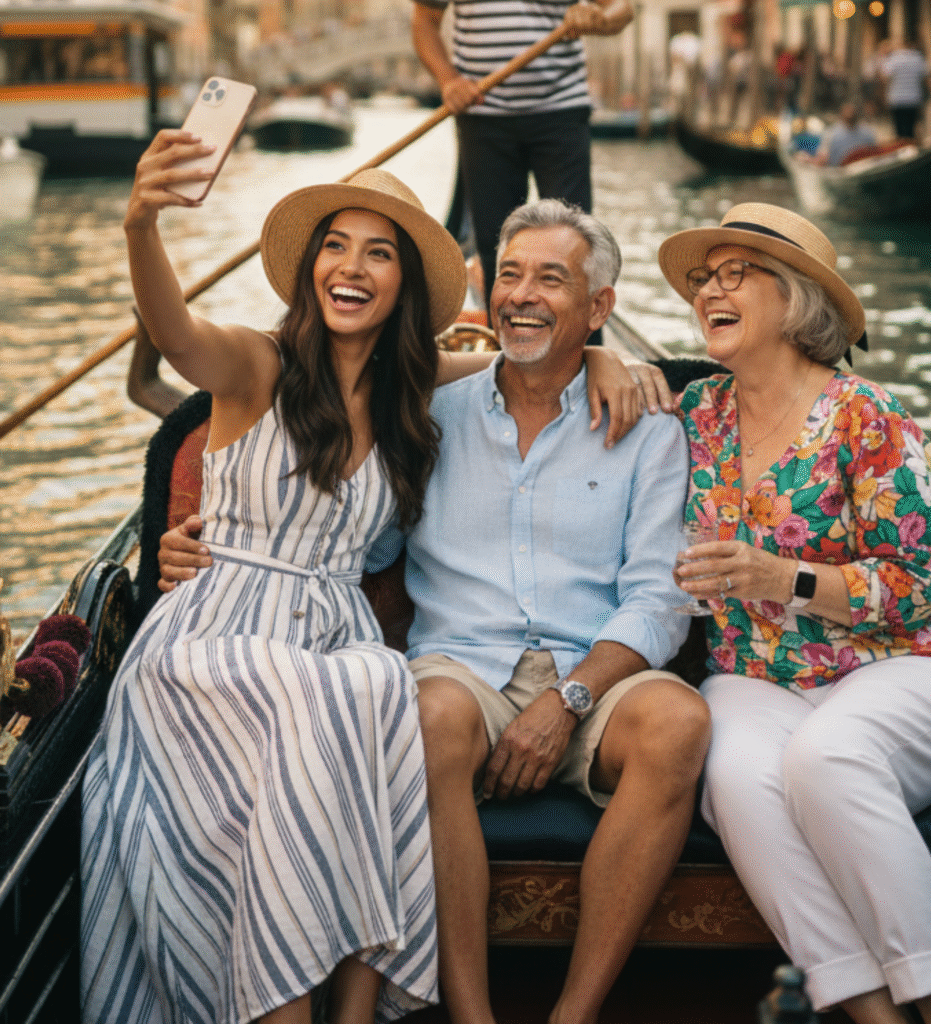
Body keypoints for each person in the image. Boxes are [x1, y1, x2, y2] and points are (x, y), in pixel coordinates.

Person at [160, 199, 709, 1024]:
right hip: (465, 671)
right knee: (426, 712)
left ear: (599, 310)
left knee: (681, 722)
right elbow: (350, 537)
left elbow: (660, 599)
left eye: (551, 279)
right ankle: (471, 1016)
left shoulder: (648, 430)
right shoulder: (427, 411)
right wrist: (212, 539)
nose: (522, 295)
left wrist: (570, 700)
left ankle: (575, 1013)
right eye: (510, 275)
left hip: (594, 676)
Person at [81, 133, 473, 1024]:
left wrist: (601, 360)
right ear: (310, 269)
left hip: (330, 640)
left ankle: (347, 1012)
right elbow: (175, 331)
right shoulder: (257, 367)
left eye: (379, 253)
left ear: (402, 285)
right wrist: (141, 221)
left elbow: (519, 370)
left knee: (376, 680)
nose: (352, 266)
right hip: (212, 644)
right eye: (336, 245)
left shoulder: (413, 395)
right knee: (336, 692)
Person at [658, 203, 931, 1024]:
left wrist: (783, 576)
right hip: (756, 674)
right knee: (730, 775)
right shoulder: (694, 412)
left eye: (738, 273)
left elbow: (915, 588)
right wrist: (600, 362)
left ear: (798, 299)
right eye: (706, 276)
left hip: (902, 666)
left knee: (827, 757)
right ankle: (870, 1013)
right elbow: (568, 376)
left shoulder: (866, 417)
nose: (710, 290)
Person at [410, 0, 634, 306]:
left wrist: (597, 18)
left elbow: (622, 8)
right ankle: (508, 346)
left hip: (561, 112)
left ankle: (585, 348)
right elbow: (425, 19)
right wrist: (448, 80)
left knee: (575, 243)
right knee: (495, 248)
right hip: (482, 115)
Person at [881, 36, 931, 140]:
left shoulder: (894, 58)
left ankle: (901, 149)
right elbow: (925, 78)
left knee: (899, 130)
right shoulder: (918, 58)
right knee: (910, 129)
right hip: (913, 99)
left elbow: (885, 77)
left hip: (896, 99)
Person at [815, 101, 877, 167]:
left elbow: (875, 154)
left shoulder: (867, 133)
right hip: (839, 172)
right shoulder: (831, 134)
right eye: (847, 110)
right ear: (841, 113)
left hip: (864, 170)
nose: (850, 112)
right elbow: (822, 159)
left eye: (852, 110)